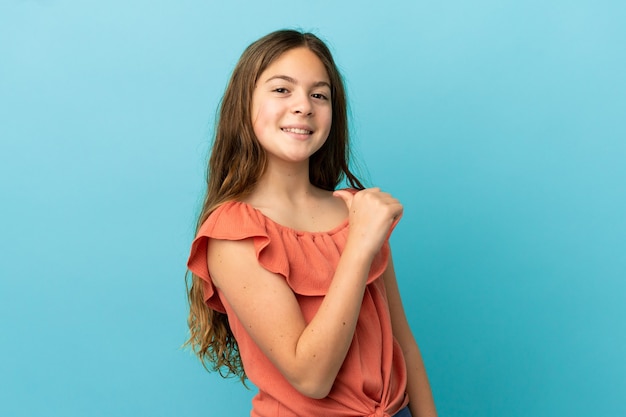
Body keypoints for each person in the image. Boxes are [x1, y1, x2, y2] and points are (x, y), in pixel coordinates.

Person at [186, 29, 437, 417]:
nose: (303, 106)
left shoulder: (358, 210)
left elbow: (404, 343)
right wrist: (359, 246)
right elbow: (312, 377)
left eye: (319, 94)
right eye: (282, 90)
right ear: (244, 102)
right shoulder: (233, 232)